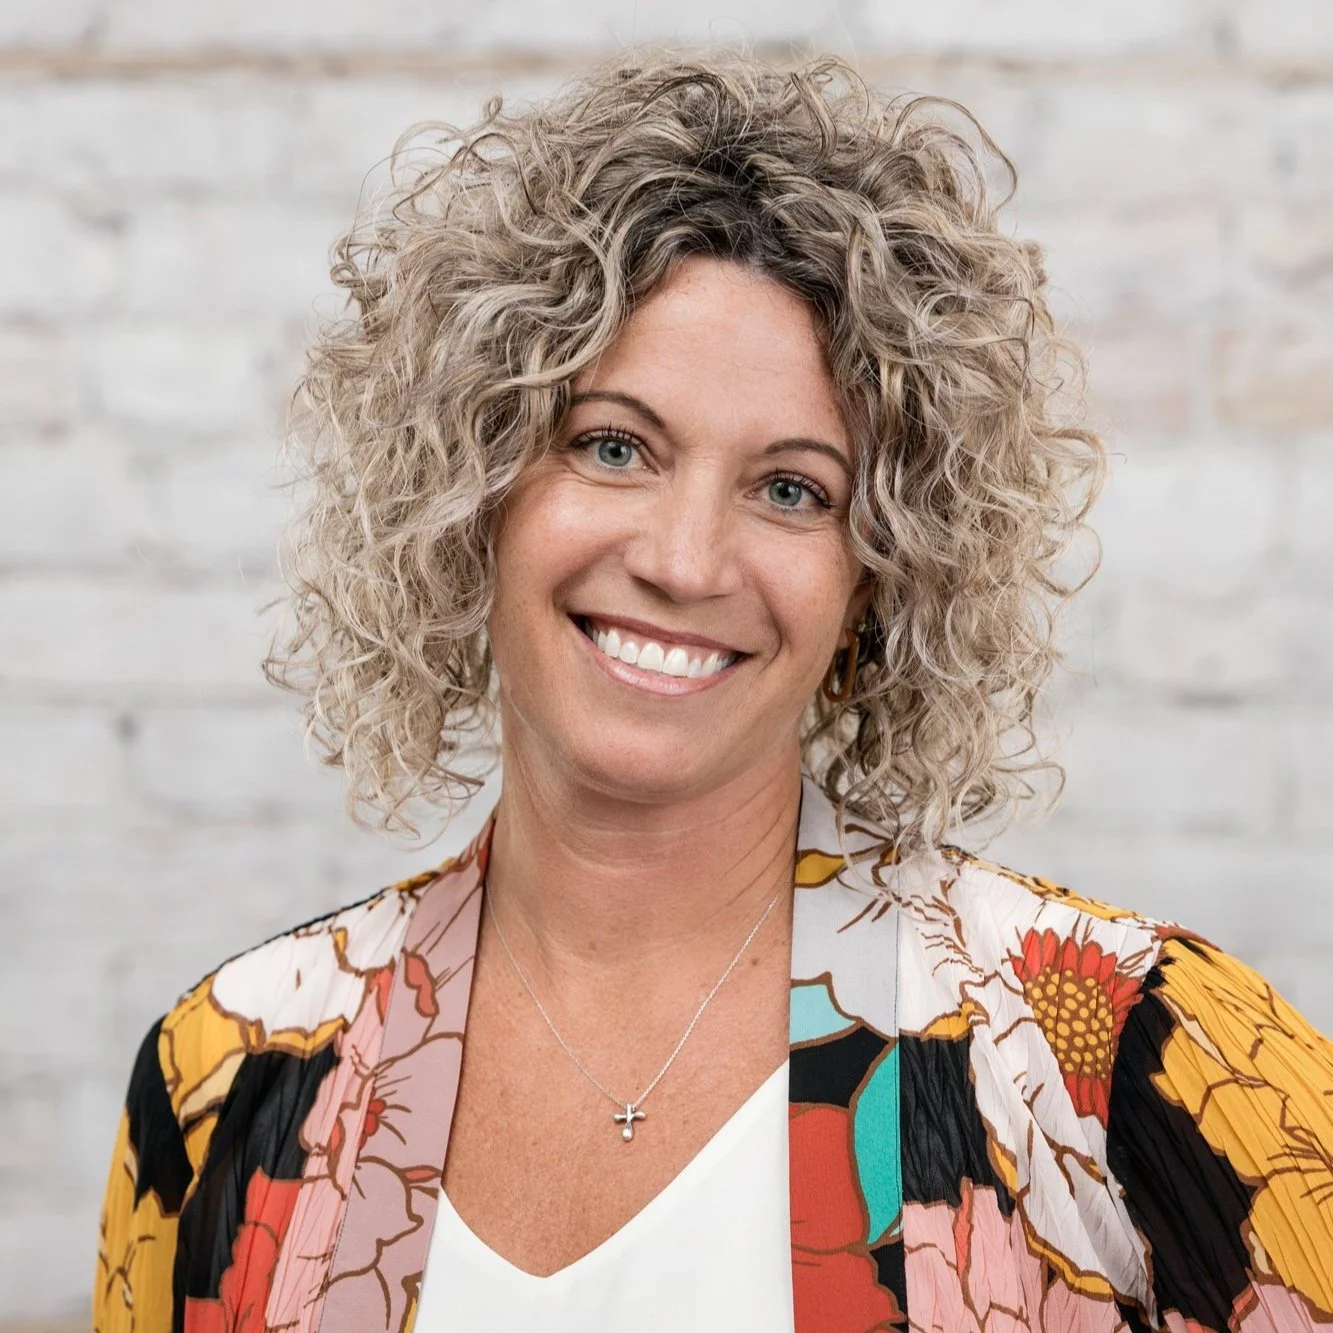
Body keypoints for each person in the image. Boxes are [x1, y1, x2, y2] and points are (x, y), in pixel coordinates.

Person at [93, 49, 1333, 1333]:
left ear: (883, 577)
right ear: (474, 494)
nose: (682, 560)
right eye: (612, 445)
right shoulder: (228, 1079)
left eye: (791, 487)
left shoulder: (1140, 1062)